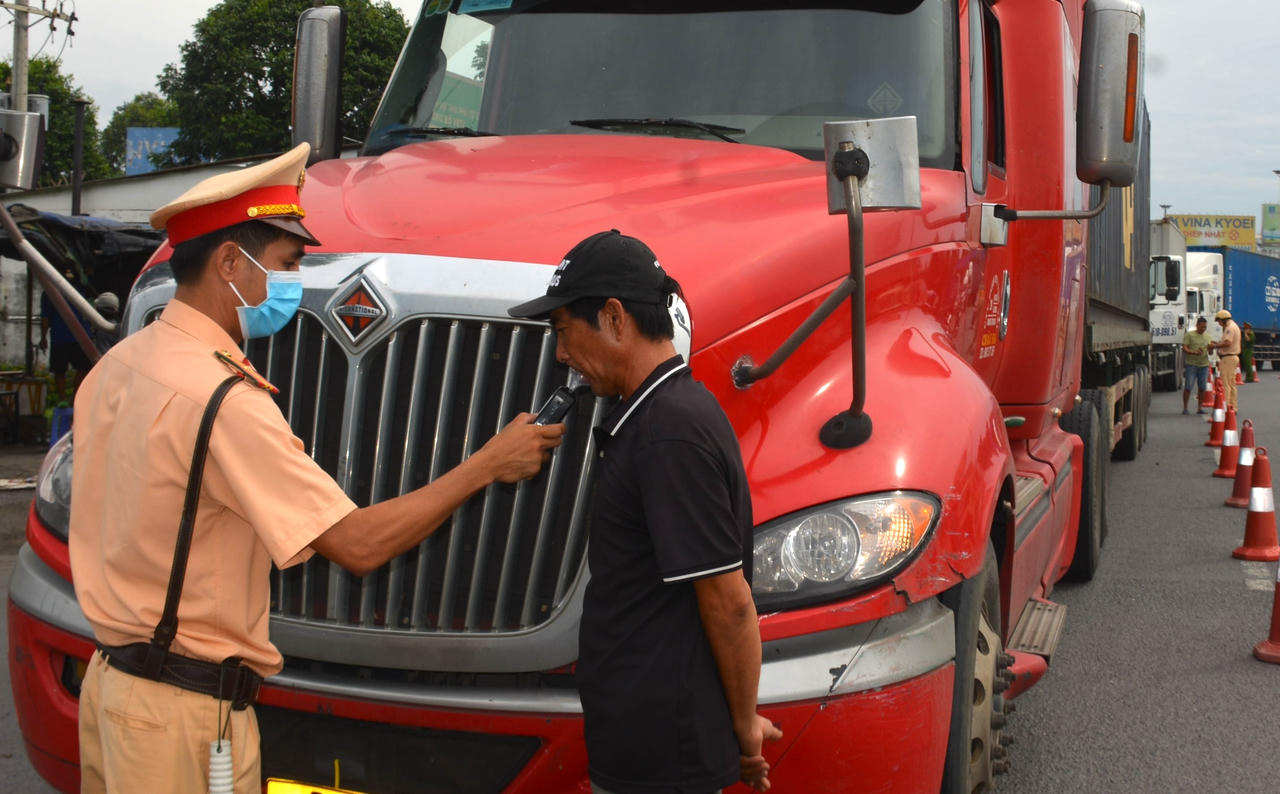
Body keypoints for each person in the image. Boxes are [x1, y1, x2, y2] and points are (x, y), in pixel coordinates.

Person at [69, 143, 564, 794]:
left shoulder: (119, 367)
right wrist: (487, 465)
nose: (291, 283)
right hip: (180, 722)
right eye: (284, 264)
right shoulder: (224, 401)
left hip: (110, 693)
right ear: (228, 263)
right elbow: (357, 545)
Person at [509, 230, 782, 794]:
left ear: (613, 317)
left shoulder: (668, 433)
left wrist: (742, 724)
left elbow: (729, 604)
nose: (560, 353)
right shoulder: (655, 415)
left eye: (563, 330)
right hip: (645, 744)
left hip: (663, 758)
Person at [38, 278, 92, 399]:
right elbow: (45, 318)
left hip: (74, 336)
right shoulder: (50, 292)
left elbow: (45, 318)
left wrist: (43, 337)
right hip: (67, 336)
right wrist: (43, 337)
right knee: (64, 370)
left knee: (74, 369)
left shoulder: (81, 289)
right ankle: (67, 399)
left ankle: (71, 398)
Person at [1209, 308, 1241, 411]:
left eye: (1219, 321)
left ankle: (1227, 406)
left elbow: (1227, 343)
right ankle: (1233, 407)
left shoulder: (1229, 328)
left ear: (1223, 319)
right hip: (1233, 357)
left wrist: (1215, 346)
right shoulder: (1234, 326)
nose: (1219, 323)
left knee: (1226, 384)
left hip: (1228, 358)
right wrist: (1218, 343)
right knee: (1232, 384)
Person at [1182, 316, 1212, 415]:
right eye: (1202, 327)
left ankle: (1200, 408)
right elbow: (1184, 348)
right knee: (1188, 386)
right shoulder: (1189, 335)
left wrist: (1211, 349)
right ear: (1197, 325)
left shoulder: (1207, 337)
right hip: (1191, 364)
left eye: (1205, 327)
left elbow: (1210, 352)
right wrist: (1193, 352)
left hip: (1203, 365)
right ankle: (1185, 407)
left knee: (1202, 387)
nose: (1203, 329)